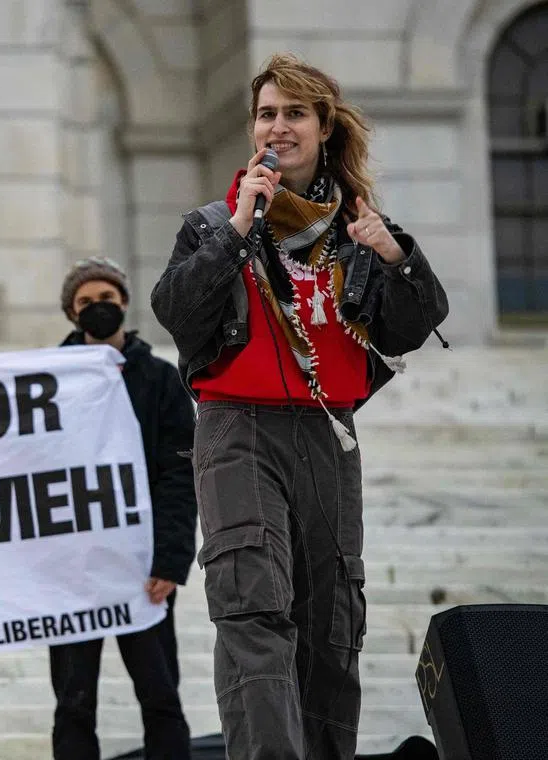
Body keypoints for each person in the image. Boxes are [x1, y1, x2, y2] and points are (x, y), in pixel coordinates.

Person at [150, 54, 449, 759]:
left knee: (333, 621)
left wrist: (398, 257)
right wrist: (237, 229)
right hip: (237, 430)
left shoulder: (359, 226)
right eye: (266, 113)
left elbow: (414, 324)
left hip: (327, 433)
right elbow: (177, 312)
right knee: (252, 605)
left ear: (323, 127)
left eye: (294, 113)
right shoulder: (212, 223)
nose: (277, 126)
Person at [50, 256, 197, 760]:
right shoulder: (43, 383)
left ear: (125, 304)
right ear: (72, 313)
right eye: (85, 303)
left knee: (160, 696)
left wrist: (171, 561)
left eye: (106, 300)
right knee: (72, 701)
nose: (97, 310)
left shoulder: (162, 381)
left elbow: (180, 477)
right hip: (74, 568)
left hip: (142, 566)